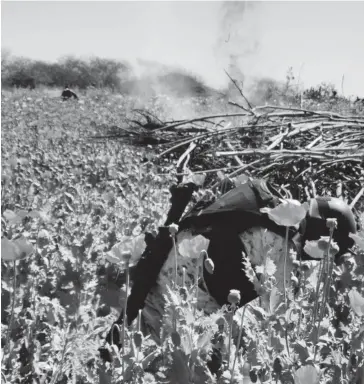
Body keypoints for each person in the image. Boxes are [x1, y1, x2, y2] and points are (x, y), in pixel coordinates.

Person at [101, 177, 357, 360]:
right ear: (321, 237)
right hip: (185, 290)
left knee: (137, 332)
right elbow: (270, 315)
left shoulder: (278, 208)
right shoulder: (283, 249)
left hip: (171, 264)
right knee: (199, 353)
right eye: (326, 251)